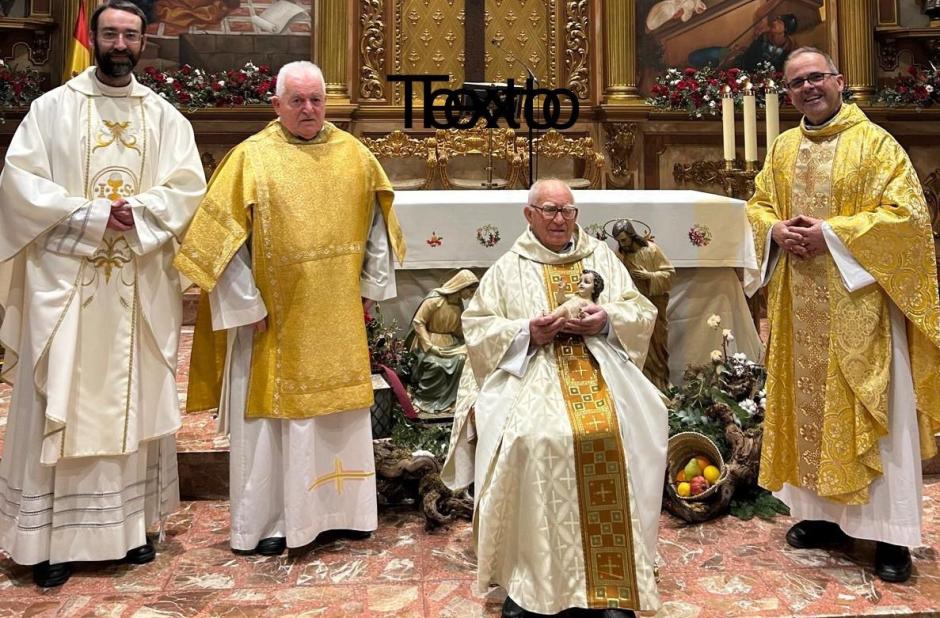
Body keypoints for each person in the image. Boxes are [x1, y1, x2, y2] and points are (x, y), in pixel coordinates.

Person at [0, 0, 205, 587]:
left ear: (144, 42)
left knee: (131, 397)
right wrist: (92, 216)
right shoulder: (51, 111)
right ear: (93, 36)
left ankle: (131, 529)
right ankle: (47, 542)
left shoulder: (165, 119)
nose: (120, 44)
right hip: (65, 289)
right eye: (111, 33)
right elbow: (18, 188)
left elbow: (188, 189)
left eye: (131, 35)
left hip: (134, 289)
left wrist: (135, 213)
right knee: (57, 395)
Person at [174, 61, 405, 557]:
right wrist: (245, 303)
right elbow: (222, 245)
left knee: (338, 416)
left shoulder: (355, 155)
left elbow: (377, 228)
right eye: (297, 100)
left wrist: (370, 285)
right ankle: (273, 521)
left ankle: (344, 514)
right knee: (272, 426)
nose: (308, 109)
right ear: (275, 104)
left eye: (316, 100)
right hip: (273, 321)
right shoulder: (251, 159)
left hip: (337, 313)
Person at [746, 47, 940, 583]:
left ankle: (889, 536)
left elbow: (907, 220)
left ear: (840, 80)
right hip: (800, 306)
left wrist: (831, 233)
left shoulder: (876, 144)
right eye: (796, 83)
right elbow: (760, 203)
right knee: (808, 408)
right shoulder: (783, 148)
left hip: (860, 309)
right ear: (787, 94)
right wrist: (775, 231)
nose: (808, 88)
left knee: (871, 410)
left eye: (816, 78)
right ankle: (824, 518)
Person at [447, 178, 667, 617]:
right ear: (529, 215)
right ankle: (526, 583)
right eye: (549, 210)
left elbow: (641, 311)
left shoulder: (601, 256)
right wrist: (526, 331)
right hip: (531, 372)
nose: (559, 219)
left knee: (616, 430)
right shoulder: (511, 266)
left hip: (600, 367)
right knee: (532, 438)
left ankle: (613, 584)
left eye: (567, 211)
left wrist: (606, 319)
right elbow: (477, 328)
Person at [405, 270, 478, 416]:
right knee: (436, 364)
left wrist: (471, 337)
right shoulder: (434, 299)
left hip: (450, 343)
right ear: (461, 286)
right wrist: (429, 346)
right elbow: (418, 322)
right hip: (429, 342)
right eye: (469, 291)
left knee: (463, 359)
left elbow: (457, 328)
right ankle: (426, 399)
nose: (469, 295)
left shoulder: (457, 304)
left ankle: (451, 401)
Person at [612, 220, 675, 391]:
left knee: (658, 344)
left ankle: (661, 384)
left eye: (624, 240)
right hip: (636, 307)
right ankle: (645, 388)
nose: (622, 244)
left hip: (655, 303)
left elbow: (669, 273)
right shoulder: (622, 257)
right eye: (619, 241)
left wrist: (649, 276)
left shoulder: (651, 250)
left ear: (632, 236)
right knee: (641, 343)